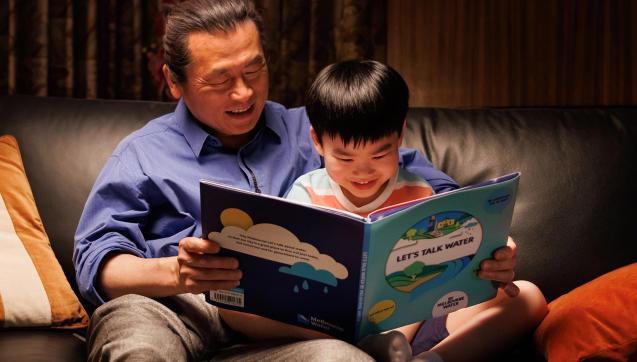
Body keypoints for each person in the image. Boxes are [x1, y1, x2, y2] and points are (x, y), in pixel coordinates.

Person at [73, 0, 537, 361]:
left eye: (255, 70)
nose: (245, 92)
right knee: (141, 349)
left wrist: (484, 246)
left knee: (342, 358)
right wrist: (178, 273)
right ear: (173, 82)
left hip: (292, 329)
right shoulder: (142, 153)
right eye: (221, 80)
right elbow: (96, 260)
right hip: (175, 307)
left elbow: (432, 195)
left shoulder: (315, 131)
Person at [222, 59, 547, 361]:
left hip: (412, 330)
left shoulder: (421, 193)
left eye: (380, 155)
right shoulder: (305, 193)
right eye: (345, 158)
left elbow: (436, 280)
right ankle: (377, 349)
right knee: (229, 304)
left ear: (399, 135)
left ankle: (432, 359)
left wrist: (486, 254)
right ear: (318, 142)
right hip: (324, 331)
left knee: (529, 298)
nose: (363, 173)